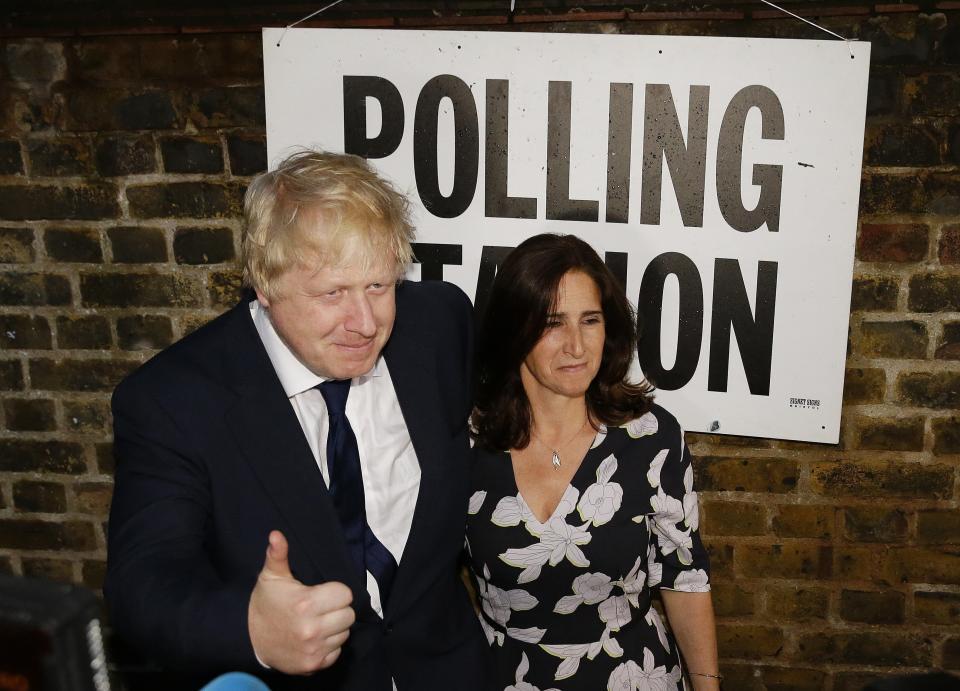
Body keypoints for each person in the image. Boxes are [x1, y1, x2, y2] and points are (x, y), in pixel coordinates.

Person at [105, 150, 490, 691]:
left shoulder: (439, 324)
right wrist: (252, 629)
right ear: (264, 284)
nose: (364, 322)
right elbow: (141, 584)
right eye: (332, 293)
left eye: (379, 286)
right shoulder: (174, 400)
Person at [466, 233, 719, 691]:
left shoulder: (651, 438)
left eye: (590, 320)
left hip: (633, 676)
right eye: (552, 323)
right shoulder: (467, 443)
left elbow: (685, 578)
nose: (577, 346)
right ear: (514, 329)